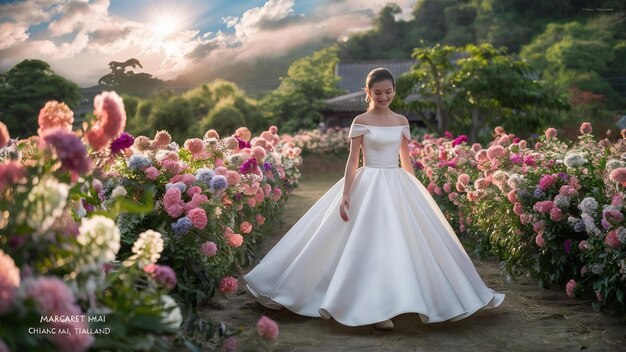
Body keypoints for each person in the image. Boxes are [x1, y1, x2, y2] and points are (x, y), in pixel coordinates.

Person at [244, 68, 505, 330]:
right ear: (367, 92)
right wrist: (346, 193)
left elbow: (406, 161)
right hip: (367, 183)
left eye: (388, 92)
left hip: (397, 183)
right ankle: (374, 309)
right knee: (368, 245)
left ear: (394, 92)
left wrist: (418, 193)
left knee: (400, 244)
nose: (384, 97)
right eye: (378, 92)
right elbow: (352, 160)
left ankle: (398, 301)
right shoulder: (361, 120)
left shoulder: (402, 121)